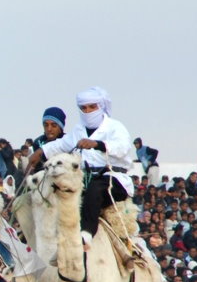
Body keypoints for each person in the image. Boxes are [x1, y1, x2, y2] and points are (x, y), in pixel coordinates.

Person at [27, 87, 136, 250]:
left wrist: (97, 144)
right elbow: (61, 145)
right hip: (83, 178)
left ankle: (86, 234)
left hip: (112, 178)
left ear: (101, 107)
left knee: (95, 189)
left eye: (92, 107)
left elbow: (123, 148)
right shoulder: (78, 130)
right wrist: (41, 151)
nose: (88, 111)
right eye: (83, 108)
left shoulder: (114, 127)